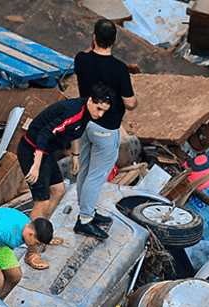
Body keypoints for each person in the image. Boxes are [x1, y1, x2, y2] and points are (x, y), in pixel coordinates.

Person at [16, 84, 115, 270]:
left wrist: (75, 156)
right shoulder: (74, 112)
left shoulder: (86, 112)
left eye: (104, 111)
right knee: (42, 201)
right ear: (90, 101)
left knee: (59, 191)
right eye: (99, 109)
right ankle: (31, 252)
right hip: (32, 150)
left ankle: (43, 233)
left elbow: (74, 132)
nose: (101, 114)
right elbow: (45, 134)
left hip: (47, 153)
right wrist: (36, 166)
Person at [72, 18, 137, 240]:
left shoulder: (81, 59)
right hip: (106, 128)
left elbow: (88, 53)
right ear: (115, 41)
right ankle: (85, 220)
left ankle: (85, 211)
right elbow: (130, 103)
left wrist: (93, 45)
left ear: (93, 38)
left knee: (86, 169)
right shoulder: (119, 69)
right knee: (96, 176)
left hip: (84, 123)